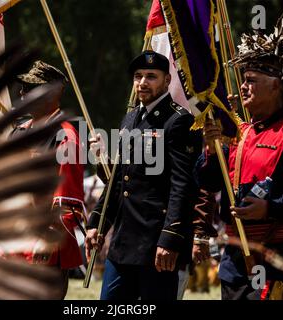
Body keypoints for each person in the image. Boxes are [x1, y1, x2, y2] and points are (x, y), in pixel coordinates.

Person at [198, 26, 283, 300]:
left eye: (251, 80)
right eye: (243, 80)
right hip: (234, 260)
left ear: (276, 85)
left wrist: (269, 207)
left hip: (275, 258)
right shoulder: (238, 132)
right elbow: (206, 181)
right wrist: (211, 151)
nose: (243, 87)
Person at [85, 50, 202, 300]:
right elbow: (119, 180)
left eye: (151, 76)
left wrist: (170, 239)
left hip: (155, 244)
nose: (142, 82)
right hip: (123, 242)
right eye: (138, 76)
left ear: (167, 80)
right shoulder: (130, 119)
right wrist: (98, 223)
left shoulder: (179, 121)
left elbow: (182, 186)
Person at [8, 60, 86, 299]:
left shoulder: (66, 136)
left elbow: (67, 197)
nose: (22, 93)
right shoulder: (18, 132)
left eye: (30, 88)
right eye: (23, 87)